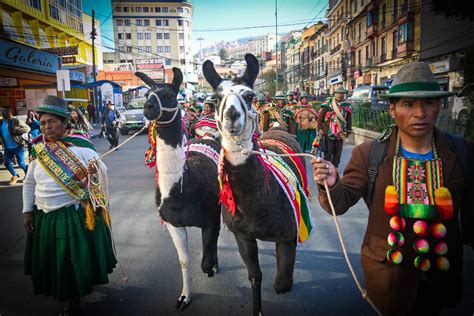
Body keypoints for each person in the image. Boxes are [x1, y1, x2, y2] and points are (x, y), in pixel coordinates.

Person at [311, 62, 474, 315]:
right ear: (392, 108)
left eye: (428, 103)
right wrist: (331, 184)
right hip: (387, 275)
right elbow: (340, 203)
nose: (419, 113)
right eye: (408, 104)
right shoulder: (369, 154)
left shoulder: (461, 152)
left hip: (439, 274)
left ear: (439, 106)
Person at [22, 95, 116, 315]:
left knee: (70, 259)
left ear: (65, 123)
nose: (46, 127)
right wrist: (27, 211)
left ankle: (72, 299)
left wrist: (93, 172)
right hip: (44, 215)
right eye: (43, 123)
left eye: (52, 122)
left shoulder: (83, 148)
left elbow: (102, 175)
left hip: (72, 213)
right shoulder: (38, 151)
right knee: (54, 259)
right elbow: (29, 183)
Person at [317, 87, 352, 169]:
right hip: (328, 132)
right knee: (328, 151)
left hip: (341, 132)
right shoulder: (327, 104)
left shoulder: (346, 106)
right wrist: (320, 128)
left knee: (338, 151)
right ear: (335, 94)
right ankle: (327, 166)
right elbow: (320, 117)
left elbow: (349, 119)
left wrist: (348, 130)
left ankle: (335, 166)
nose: (340, 95)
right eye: (338, 93)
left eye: (342, 93)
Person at [0, 107, 29, 185]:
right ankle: (15, 175)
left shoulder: (15, 120)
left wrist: (18, 131)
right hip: (7, 147)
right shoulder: (2, 122)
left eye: (5, 113)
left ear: (10, 113)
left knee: (21, 164)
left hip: (18, 146)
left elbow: (27, 128)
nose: (3, 114)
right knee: (6, 163)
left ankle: (28, 175)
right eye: (3, 113)